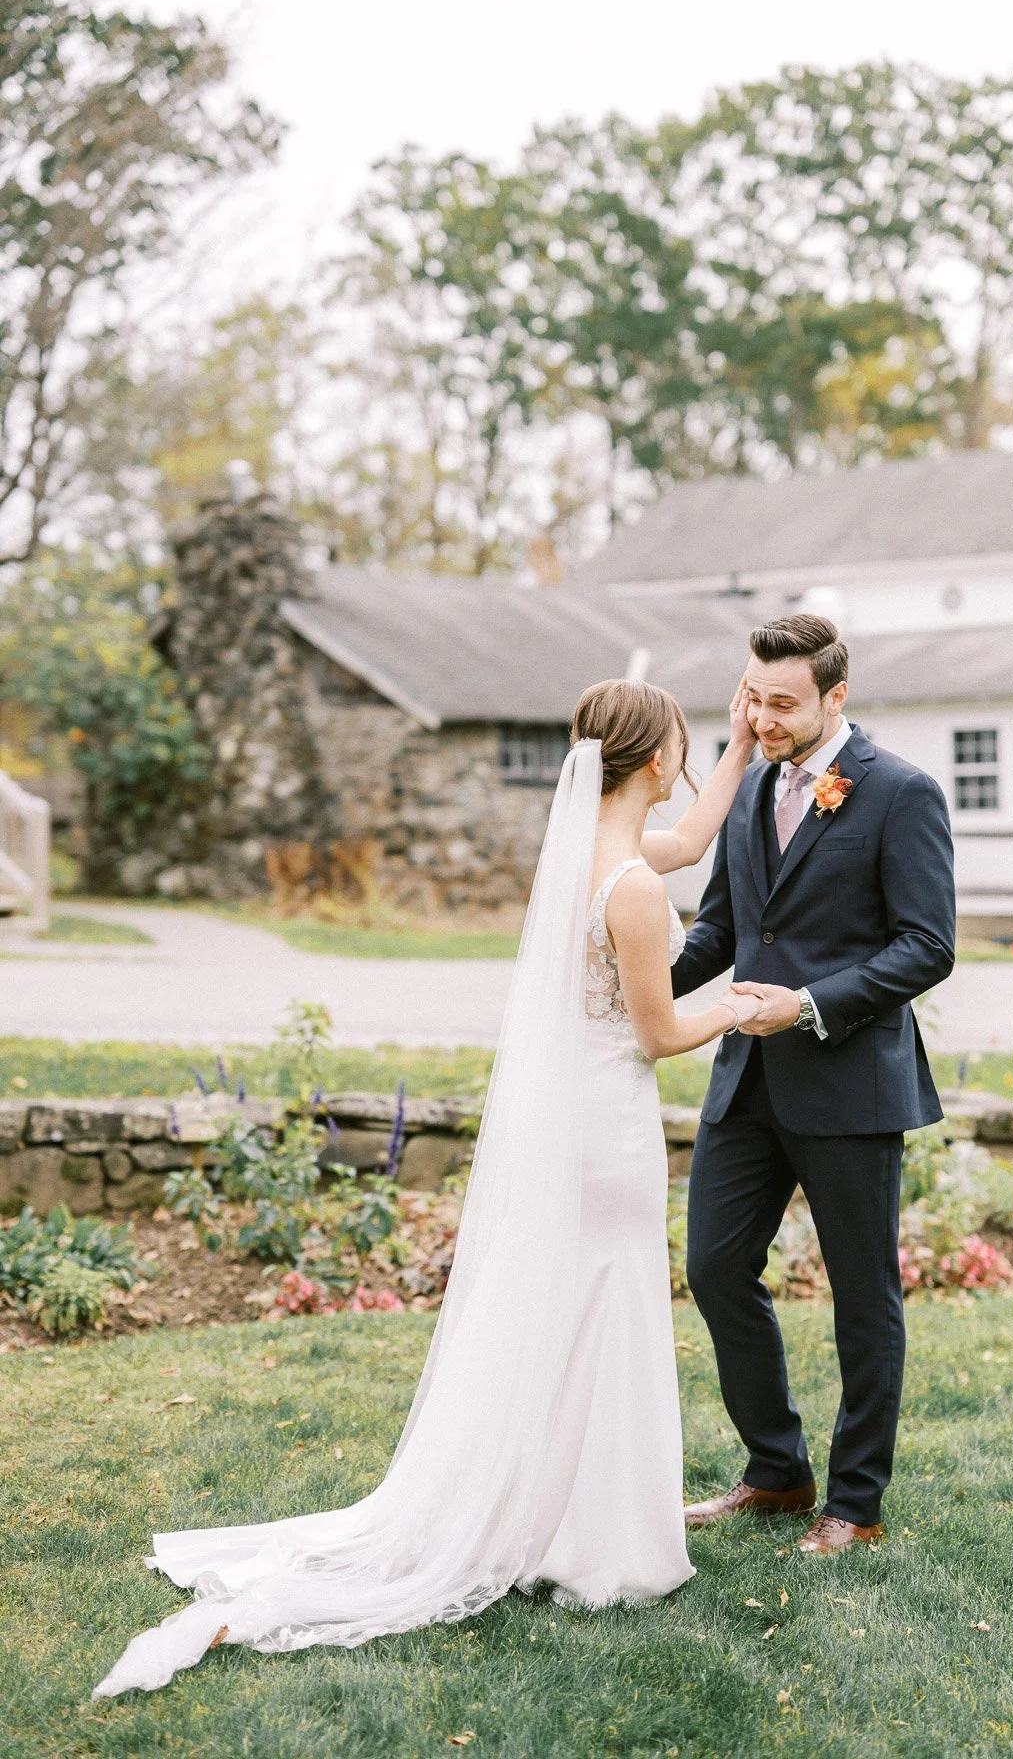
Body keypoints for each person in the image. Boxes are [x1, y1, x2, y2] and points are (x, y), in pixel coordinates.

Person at [92, 676, 761, 1699]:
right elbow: (658, 1032)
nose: (691, 764)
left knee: (574, 1309)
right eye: (687, 746)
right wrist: (741, 1005)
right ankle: (595, 1543)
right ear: (654, 763)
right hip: (604, 1131)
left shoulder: (592, 857)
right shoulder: (627, 885)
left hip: (573, 1119)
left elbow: (696, 835)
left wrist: (739, 744)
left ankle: (558, 1517)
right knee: (605, 1307)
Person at [674, 613, 956, 1555]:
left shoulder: (902, 794)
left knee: (862, 1296)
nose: (761, 719)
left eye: (783, 703)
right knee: (715, 1267)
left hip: (849, 1083)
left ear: (838, 696)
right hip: (746, 1081)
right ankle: (777, 1471)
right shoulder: (750, 789)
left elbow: (927, 946)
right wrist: (624, 984)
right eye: (752, 698)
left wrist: (804, 1005)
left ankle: (857, 1503)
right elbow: (722, 931)